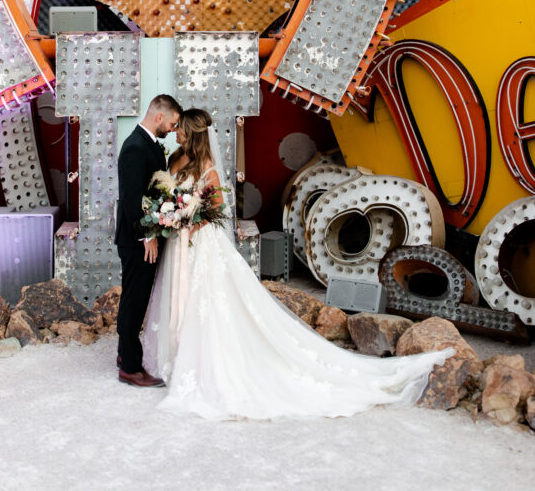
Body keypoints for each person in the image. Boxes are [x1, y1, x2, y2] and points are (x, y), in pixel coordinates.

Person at [142, 107, 454, 420]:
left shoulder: (207, 166)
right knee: (179, 295)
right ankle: (175, 356)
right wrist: (170, 216)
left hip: (200, 243)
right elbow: (167, 193)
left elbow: (217, 208)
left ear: (192, 132)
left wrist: (189, 221)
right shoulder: (175, 160)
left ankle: (202, 362)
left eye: (181, 128)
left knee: (207, 302)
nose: (177, 131)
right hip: (179, 245)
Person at [115, 93, 182, 388]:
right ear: (159, 117)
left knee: (136, 297)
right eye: (172, 122)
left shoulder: (148, 145)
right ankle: (130, 367)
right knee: (134, 299)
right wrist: (147, 236)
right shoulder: (134, 148)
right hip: (136, 240)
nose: (172, 128)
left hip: (144, 236)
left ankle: (123, 353)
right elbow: (131, 200)